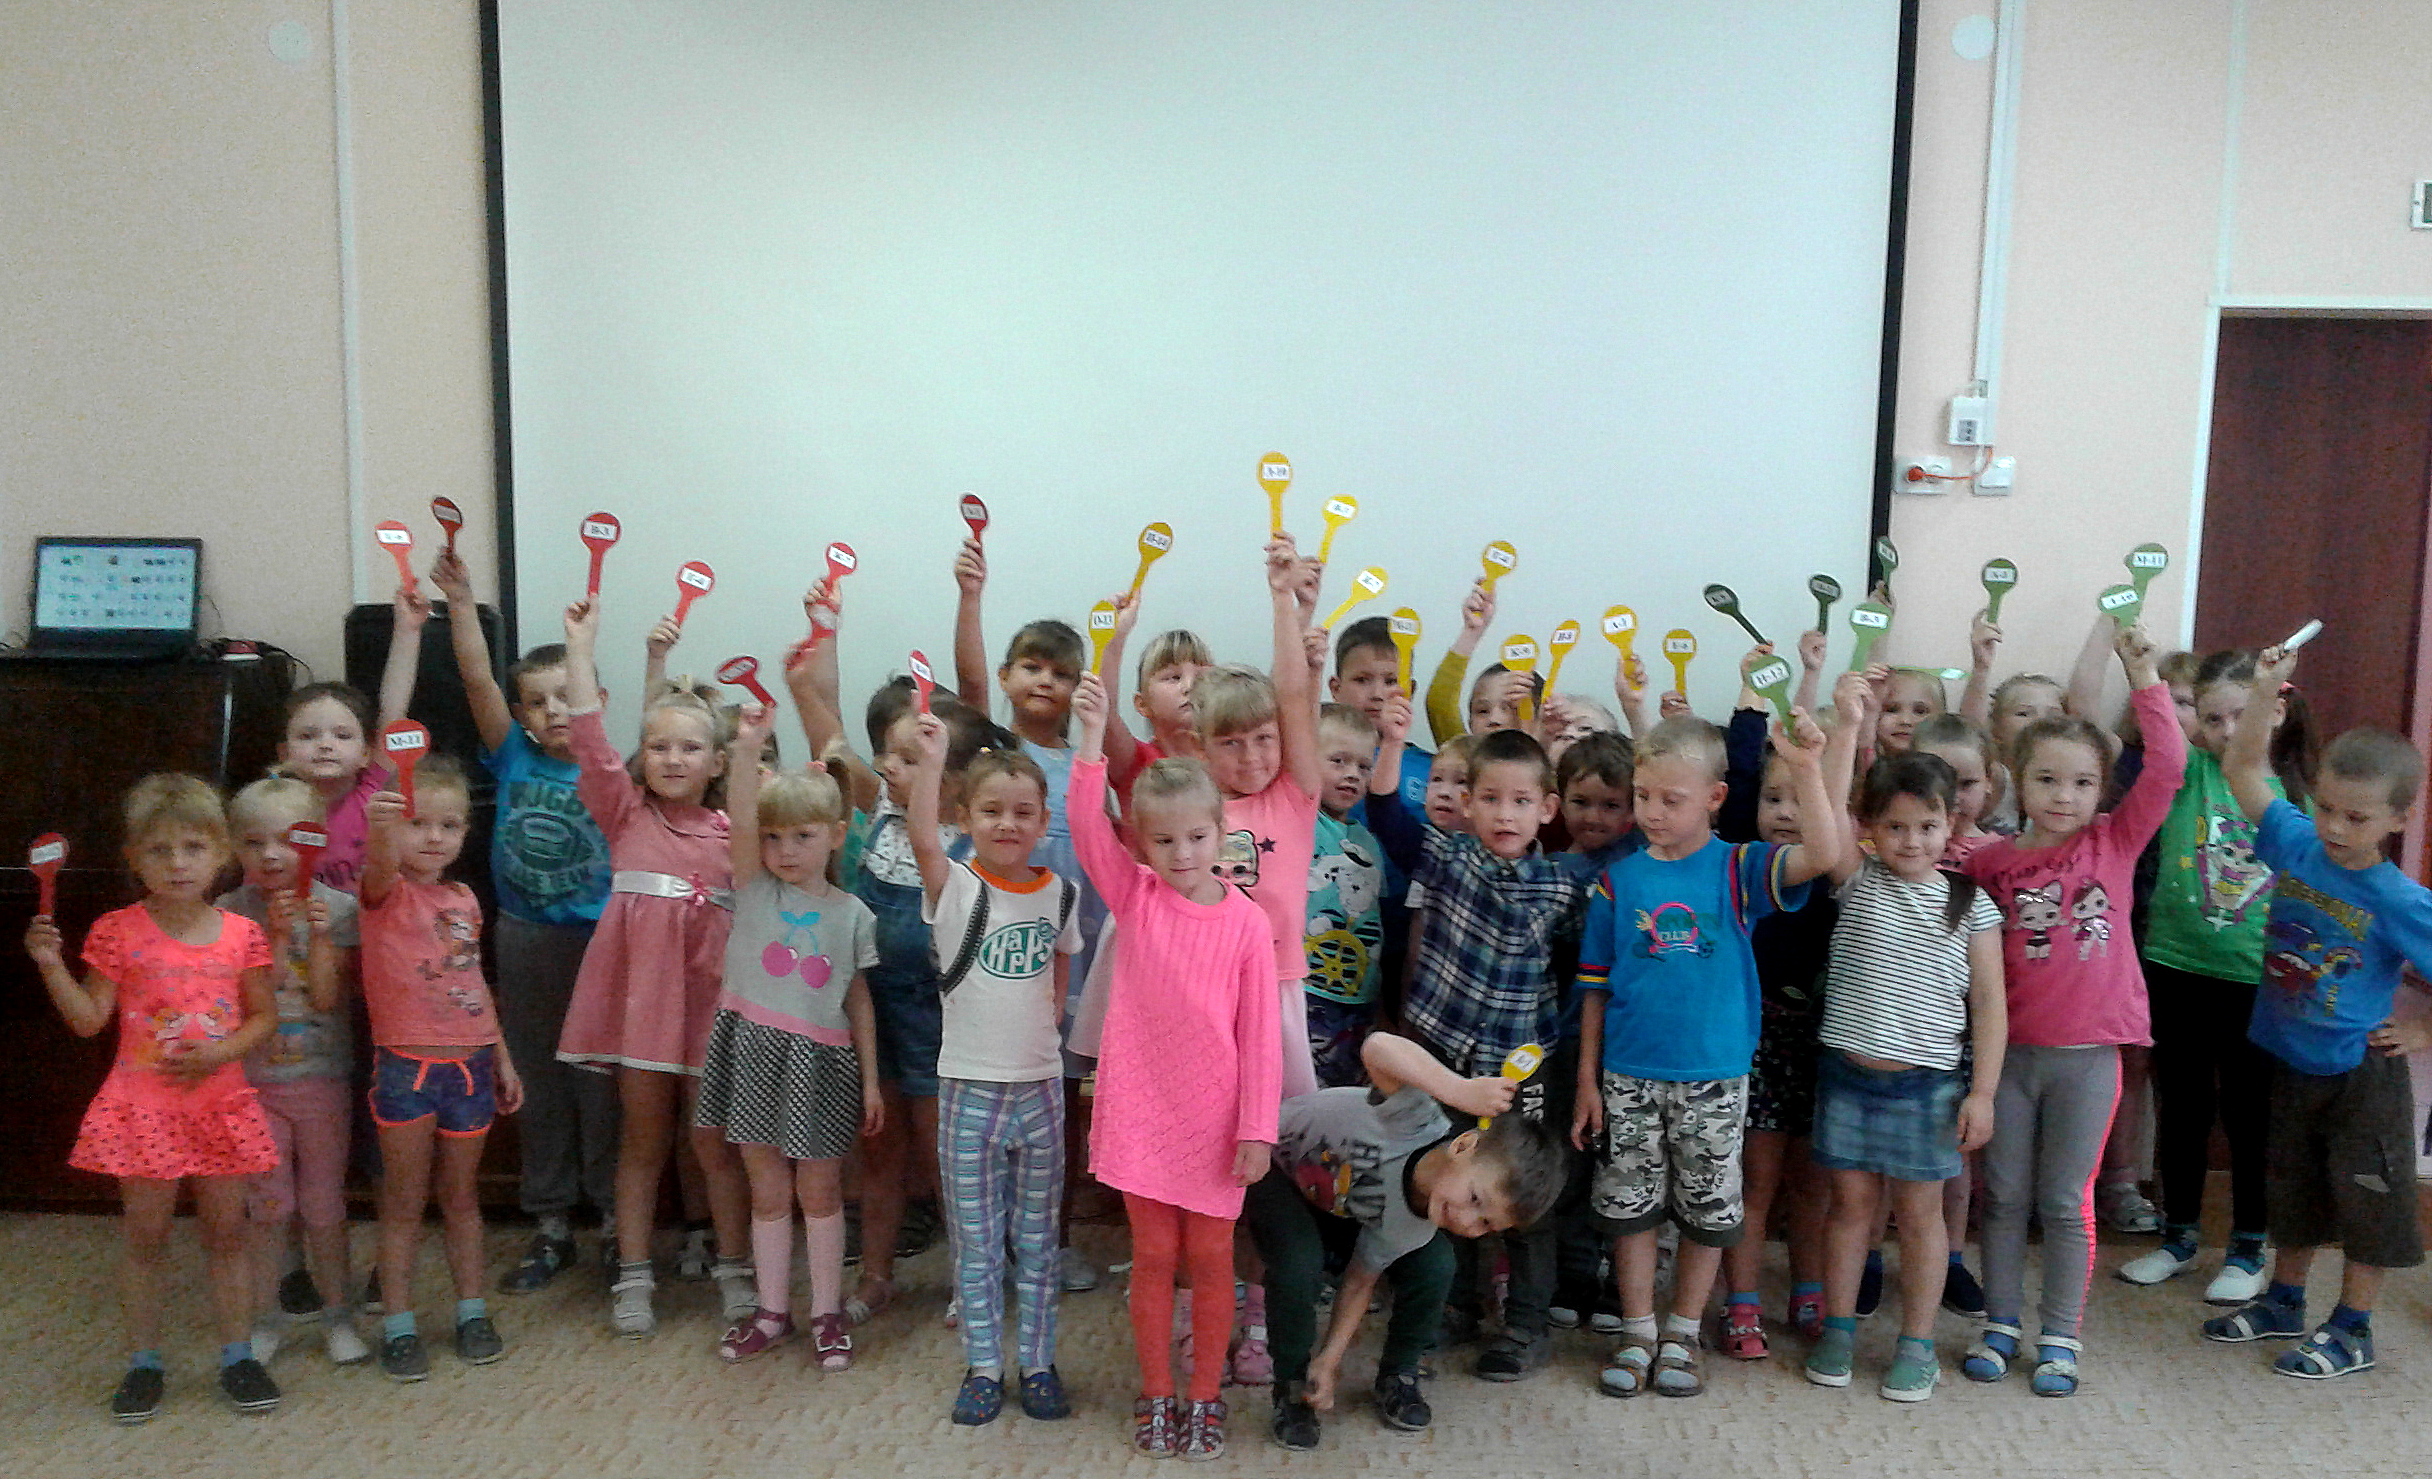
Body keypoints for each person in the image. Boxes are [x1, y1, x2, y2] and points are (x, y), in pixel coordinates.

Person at [1572, 707, 1846, 1399]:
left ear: (1715, 797)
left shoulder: (1739, 868)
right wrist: (1587, 1080)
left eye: (1671, 799)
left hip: (1715, 1078)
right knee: (1630, 1209)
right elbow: (1595, 987)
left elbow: (1822, 854)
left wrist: (1807, 769)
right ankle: (1637, 1329)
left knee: (1707, 1210)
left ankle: (1683, 1333)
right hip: (1627, 1074)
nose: (1652, 812)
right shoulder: (1617, 882)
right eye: (1643, 795)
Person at [1959, 619, 2184, 1396]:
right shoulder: (1990, 863)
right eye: (2048, 780)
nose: (2065, 796)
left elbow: (2168, 765)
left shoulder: (2114, 842)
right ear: (2016, 782)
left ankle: (2060, 1335)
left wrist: (2145, 676)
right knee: (2001, 1196)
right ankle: (2000, 1323)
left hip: (2089, 1058)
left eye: (2082, 783)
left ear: (2101, 788)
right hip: (2009, 1057)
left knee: (2064, 1199)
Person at [2200, 646, 2432, 1380]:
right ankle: (2284, 1300)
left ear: (2398, 818)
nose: (2334, 825)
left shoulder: (2399, 899)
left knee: (2368, 1201)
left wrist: (2423, 1029)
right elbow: (2243, 767)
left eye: (2356, 817)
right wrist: (2266, 689)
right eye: (2327, 807)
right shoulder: (2297, 843)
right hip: (2288, 1058)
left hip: (2361, 1074)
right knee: (2290, 1190)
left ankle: (2354, 1327)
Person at [24, 775, 284, 1421]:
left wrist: (222, 1052)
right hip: (144, 1112)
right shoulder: (117, 931)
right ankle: (144, 1361)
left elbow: (263, 1016)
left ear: (220, 853)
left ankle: (238, 1355)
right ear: (134, 858)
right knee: (146, 1237)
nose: (177, 863)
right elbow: (89, 1020)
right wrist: (51, 964)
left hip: (220, 1107)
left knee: (228, 1234)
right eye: (160, 850)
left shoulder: (242, 933)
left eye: (193, 847)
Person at [1070, 670, 1279, 1460]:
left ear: (1220, 832)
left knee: (1212, 1259)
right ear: (1140, 843)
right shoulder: (1136, 896)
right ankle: (1157, 1388)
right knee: (1155, 1257)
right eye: (1163, 840)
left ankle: (1205, 1394)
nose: (1181, 853)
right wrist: (1090, 739)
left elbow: (1260, 1037)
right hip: (1140, 1111)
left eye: (1196, 836)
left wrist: (1257, 1128)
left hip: (1217, 1121)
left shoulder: (1247, 925)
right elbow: (1085, 825)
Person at [1364, 704, 1585, 1377]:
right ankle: (1456, 1304)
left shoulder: (1563, 883)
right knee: (1454, 1178)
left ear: (1547, 808)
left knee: (1521, 1196)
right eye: (1489, 798)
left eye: (1521, 801)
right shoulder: (1445, 855)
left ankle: (1524, 1325)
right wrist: (1393, 743)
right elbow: (1386, 813)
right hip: (1443, 1056)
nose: (1504, 814)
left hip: (1520, 1069)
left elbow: (1579, 968)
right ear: (1467, 802)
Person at [552, 592, 751, 1337]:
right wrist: (581, 649)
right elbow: (590, 742)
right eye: (659, 746)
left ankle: (735, 1268)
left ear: (717, 761)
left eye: (689, 748)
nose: (672, 758)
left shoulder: (736, 833)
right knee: (641, 1142)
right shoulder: (625, 814)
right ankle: (634, 1273)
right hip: (641, 1007)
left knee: (713, 1145)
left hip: (710, 1007)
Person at [429, 550, 617, 1295]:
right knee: (536, 1078)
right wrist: (462, 602)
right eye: (538, 702)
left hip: (602, 942)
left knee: (601, 1085)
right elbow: (478, 679)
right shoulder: (512, 757)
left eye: (568, 697)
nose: (554, 712)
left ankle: (615, 1220)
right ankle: (550, 1222)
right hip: (527, 938)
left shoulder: (614, 769)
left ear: (597, 700)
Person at [1802, 735, 2007, 1403]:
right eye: (1895, 826)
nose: (1912, 840)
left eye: (1927, 825)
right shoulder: (1855, 877)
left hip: (1929, 1086)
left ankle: (1916, 1343)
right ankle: (1838, 1329)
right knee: (1849, 1209)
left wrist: (1983, 1092)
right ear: (1868, 826)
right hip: (1848, 1077)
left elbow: (1989, 1005)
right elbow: (1827, 807)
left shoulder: (1971, 904)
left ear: (1951, 824)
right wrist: (1847, 726)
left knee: (1921, 1217)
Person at [1251, 1032, 1569, 1451]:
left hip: (1341, 1205)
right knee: (1298, 1264)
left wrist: (1329, 1360)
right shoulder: (1415, 1120)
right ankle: (1291, 1388)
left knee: (1436, 1262)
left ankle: (1399, 1372)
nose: (1466, 1221)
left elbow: (1360, 1281)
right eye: (1475, 1199)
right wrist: (1460, 1090)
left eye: (1486, 1225)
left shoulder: (1414, 1224)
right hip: (1271, 1163)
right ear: (1463, 1145)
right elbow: (1378, 1047)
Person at [2120, 648, 2313, 1302]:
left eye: (2242, 714)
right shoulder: (2187, 771)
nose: (2228, 730)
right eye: (2213, 718)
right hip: (2176, 967)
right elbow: (2158, 729)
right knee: (2182, 1109)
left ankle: (2249, 1246)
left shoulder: (2294, 791)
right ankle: (2178, 1236)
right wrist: (2139, 669)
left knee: (2250, 1116)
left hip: (2258, 982)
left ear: (2276, 710)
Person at [694, 705, 881, 1371]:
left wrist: (871, 1079)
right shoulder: (753, 888)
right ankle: (772, 1312)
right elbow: (742, 816)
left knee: (819, 1193)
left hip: (822, 1062)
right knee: (768, 1191)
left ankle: (827, 1312)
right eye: (774, 837)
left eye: (803, 835)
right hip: (752, 1053)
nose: (785, 850)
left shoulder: (853, 913)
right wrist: (747, 747)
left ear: (836, 834)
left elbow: (857, 997)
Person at [907, 720, 1082, 1424]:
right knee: (976, 1243)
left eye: (1023, 811)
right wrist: (931, 761)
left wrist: (1052, 1018)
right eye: (991, 810)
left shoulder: (1061, 893)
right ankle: (983, 1365)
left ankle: (1037, 1362)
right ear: (964, 817)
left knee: (1039, 1241)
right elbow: (922, 839)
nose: (1008, 823)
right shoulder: (954, 884)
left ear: (1043, 821)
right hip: (968, 1089)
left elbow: (1063, 955)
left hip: (1040, 1089)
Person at [951, 537, 1111, 1294]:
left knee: (1059, 1112)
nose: (1046, 680)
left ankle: (1052, 1241)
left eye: (1062, 672)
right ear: (1011, 678)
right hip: (994, 963)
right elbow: (967, 683)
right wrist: (971, 597)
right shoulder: (990, 751)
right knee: (984, 1111)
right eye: (1032, 666)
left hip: (1066, 961)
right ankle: (985, 1251)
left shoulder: (1087, 766)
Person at [358, 756, 523, 1381]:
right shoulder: (384, 893)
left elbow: (473, 983)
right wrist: (381, 827)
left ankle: (471, 1312)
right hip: (407, 1071)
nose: (433, 837)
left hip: (471, 1070)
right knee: (404, 1202)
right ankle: (398, 1325)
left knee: (461, 1197)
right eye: (417, 823)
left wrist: (502, 1056)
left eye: (449, 826)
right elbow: (379, 867)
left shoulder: (464, 899)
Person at [218, 777, 366, 1367]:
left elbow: (328, 998)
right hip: (253, 1086)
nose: (272, 854)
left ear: (317, 840)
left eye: (289, 839)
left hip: (323, 1080)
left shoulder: (341, 909)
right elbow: (248, 1003)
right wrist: (276, 939)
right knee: (268, 1206)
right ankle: (265, 1318)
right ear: (233, 845)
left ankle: (338, 1316)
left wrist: (319, 938)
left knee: (325, 1204)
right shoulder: (228, 913)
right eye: (254, 842)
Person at [1717, 674, 1841, 1357]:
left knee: (1813, 1185)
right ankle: (1741, 1301)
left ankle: (1809, 1290)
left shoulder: (1837, 869)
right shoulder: (1744, 858)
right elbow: (1740, 773)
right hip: (1757, 1040)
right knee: (1756, 1181)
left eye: (1799, 799)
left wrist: (1841, 728)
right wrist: (1748, 696)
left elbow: (1834, 800)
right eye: (1773, 799)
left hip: (1822, 1040)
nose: (1785, 812)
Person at [277, 583, 425, 893]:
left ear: (367, 753)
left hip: (367, 920)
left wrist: (408, 630)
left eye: (343, 736)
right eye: (307, 736)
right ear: (284, 753)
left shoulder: (370, 794)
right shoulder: (273, 807)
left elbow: (393, 711)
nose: (325, 745)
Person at [1306, 703, 1386, 1087]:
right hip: (1309, 993)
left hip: (1360, 998)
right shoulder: (1301, 818)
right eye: (1338, 761)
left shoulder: (1367, 840)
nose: (1353, 774)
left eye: (1364, 766)